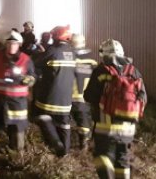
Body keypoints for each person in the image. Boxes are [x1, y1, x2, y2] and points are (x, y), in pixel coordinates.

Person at [84, 39, 147, 179]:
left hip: (105, 127)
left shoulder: (101, 71)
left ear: (104, 54)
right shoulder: (134, 71)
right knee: (123, 159)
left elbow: (89, 96)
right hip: (128, 128)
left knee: (101, 156)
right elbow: (143, 98)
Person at [0, 30, 36, 155]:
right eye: (9, 43)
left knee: (17, 129)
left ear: (19, 45)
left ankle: (14, 155)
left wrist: (26, 80)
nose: (12, 46)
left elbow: (33, 77)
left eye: (15, 43)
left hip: (17, 102)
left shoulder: (26, 60)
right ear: (6, 44)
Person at [33, 25, 77, 157]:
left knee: (42, 117)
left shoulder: (52, 50)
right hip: (66, 99)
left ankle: (56, 143)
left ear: (56, 37)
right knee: (64, 124)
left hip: (50, 97)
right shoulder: (73, 52)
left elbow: (37, 62)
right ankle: (65, 152)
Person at [70, 33, 97, 150]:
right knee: (83, 119)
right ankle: (84, 143)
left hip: (70, 95)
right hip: (85, 96)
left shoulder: (70, 57)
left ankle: (78, 142)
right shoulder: (92, 59)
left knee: (69, 119)